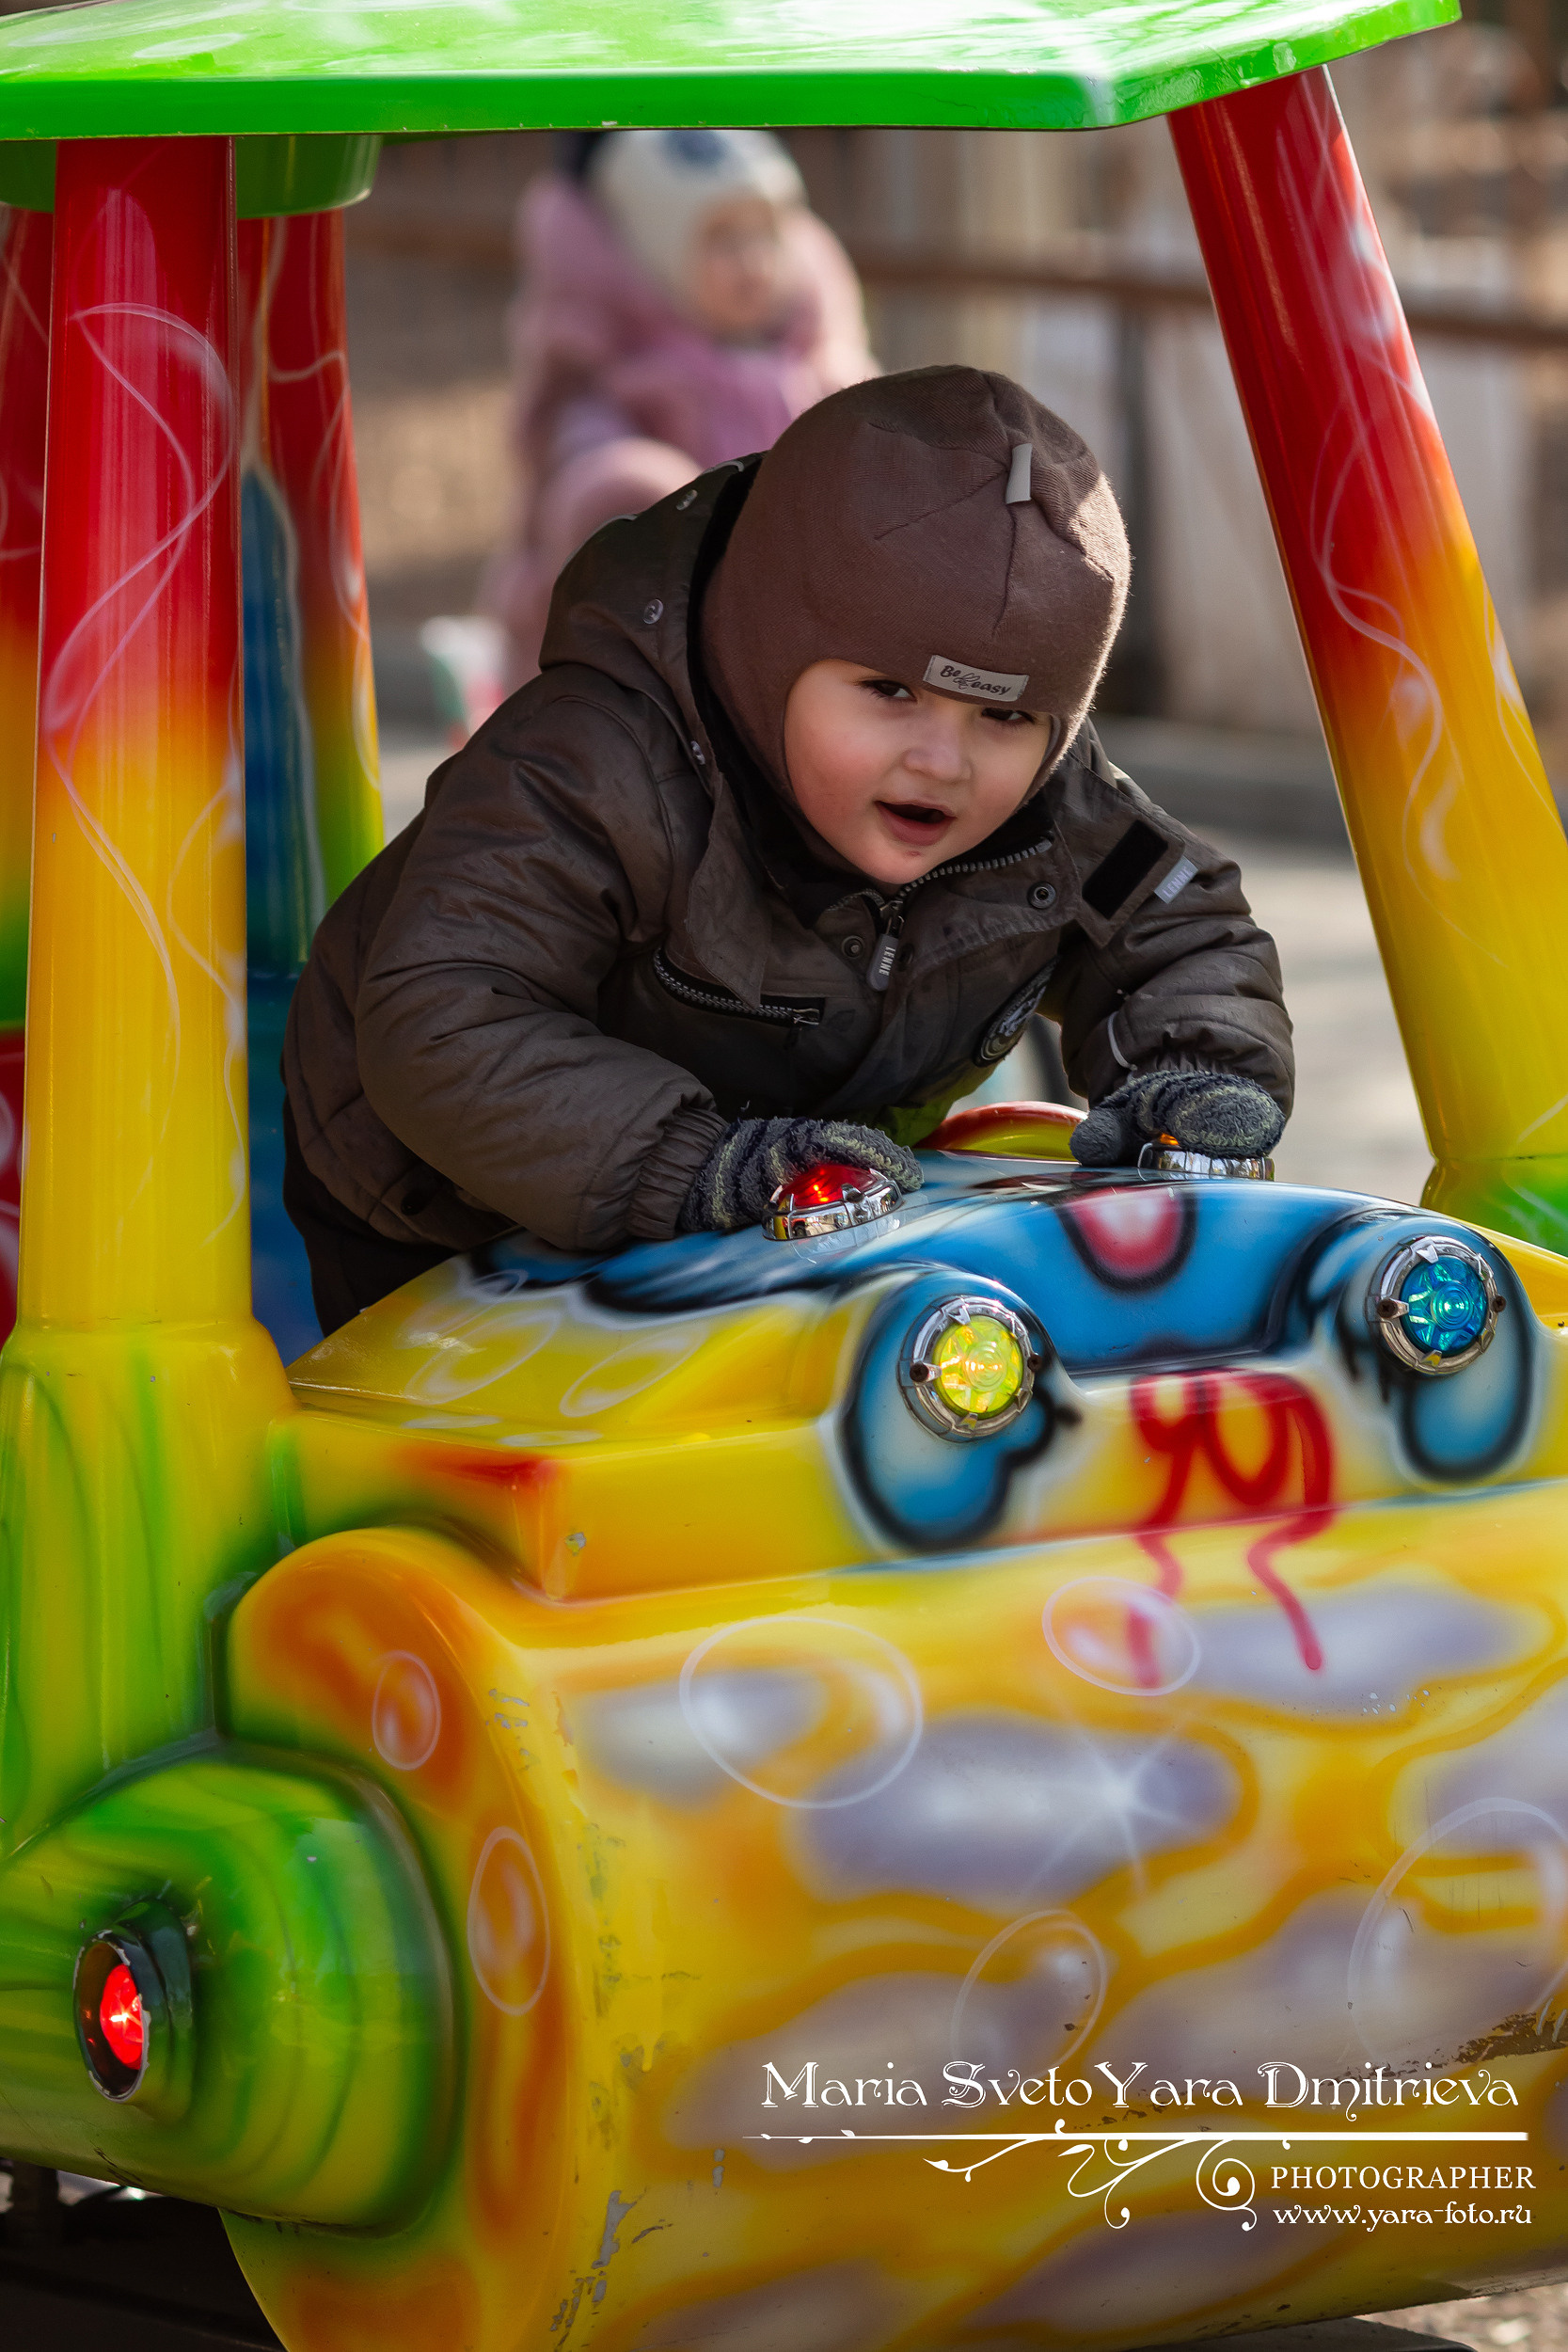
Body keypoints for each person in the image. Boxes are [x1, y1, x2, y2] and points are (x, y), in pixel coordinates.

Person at [284, 367, 1293, 1337]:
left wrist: (1190, 1081)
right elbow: (445, 1016)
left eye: (1006, 716)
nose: (940, 759)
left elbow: (1180, 928)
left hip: (778, 1197)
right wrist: (701, 1165)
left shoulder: (1053, 811)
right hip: (449, 1212)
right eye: (889, 692)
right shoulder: (598, 768)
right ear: (769, 649)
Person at [481, 125, 877, 688]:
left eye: (765, 237)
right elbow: (589, 453)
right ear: (653, 253)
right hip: (656, 655)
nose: (752, 262)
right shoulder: (629, 375)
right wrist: (634, 492)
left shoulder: (816, 368)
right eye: (722, 241)